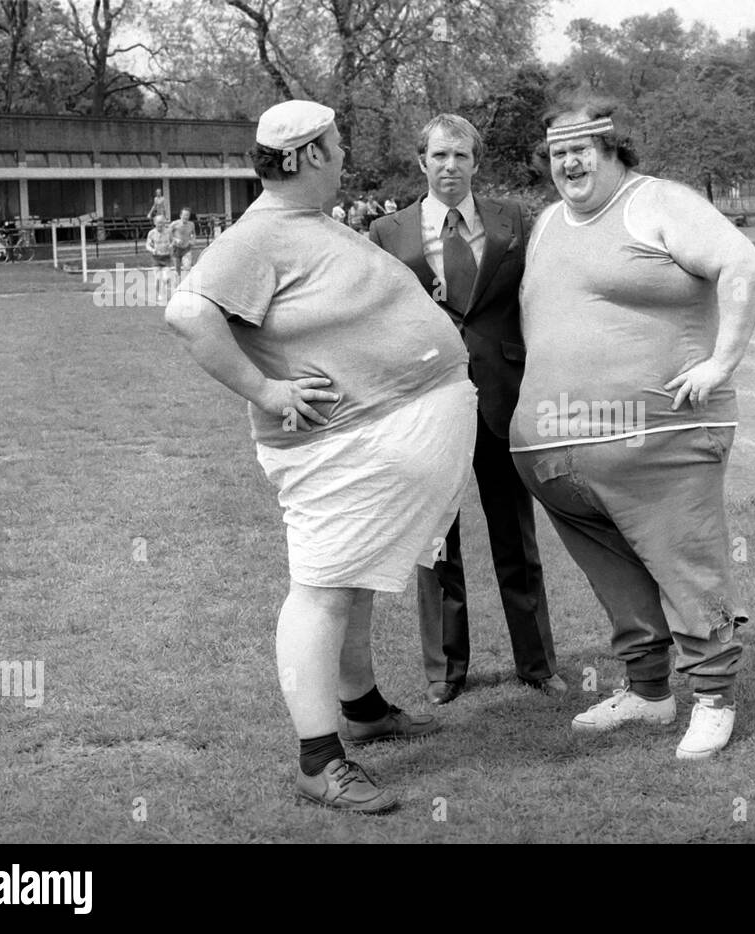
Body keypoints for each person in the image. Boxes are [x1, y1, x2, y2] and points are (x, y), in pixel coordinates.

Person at [164, 100, 477, 812]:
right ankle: (318, 761)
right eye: (334, 146)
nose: (342, 156)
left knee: (352, 581)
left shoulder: (308, 225)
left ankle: (361, 706)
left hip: (375, 440)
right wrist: (267, 389)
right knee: (323, 592)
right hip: (337, 449)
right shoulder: (260, 232)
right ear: (305, 155)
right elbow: (187, 315)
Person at [511, 95, 755, 760]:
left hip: (661, 444)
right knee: (619, 580)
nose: (568, 161)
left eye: (582, 148)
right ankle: (648, 692)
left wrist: (720, 361)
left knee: (687, 567)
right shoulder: (546, 223)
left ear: (614, 149)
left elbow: (741, 263)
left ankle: (713, 697)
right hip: (556, 458)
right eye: (557, 152)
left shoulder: (659, 202)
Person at [369, 114, 563, 706]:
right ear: (421, 162)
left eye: (461, 156)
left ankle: (537, 663)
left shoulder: (514, 222)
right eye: (439, 156)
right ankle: (445, 671)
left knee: (516, 536)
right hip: (429, 404)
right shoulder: (388, 233)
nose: (449, 166)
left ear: (476, 163)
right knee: (437, 541)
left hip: (503, 398)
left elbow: (541, 299)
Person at [169, 206, 196, 277]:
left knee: (187, 267)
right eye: (184, 215)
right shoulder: (174, 224)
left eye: (187, 215)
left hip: (186, 249)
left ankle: (188, 285)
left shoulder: (191, 224)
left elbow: (193, 234)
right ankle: (178, 286)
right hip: (176, 249)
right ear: (180, 215)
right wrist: (175, 239)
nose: (186, 217)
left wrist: (193, 240)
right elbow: (167, 234)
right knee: (177, 270)